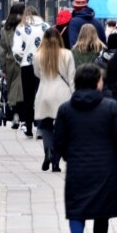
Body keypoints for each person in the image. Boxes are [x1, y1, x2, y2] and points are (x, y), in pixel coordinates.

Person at [55, 65, 117, 233]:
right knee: (101, 214)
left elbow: (58, 142)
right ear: (97, 82)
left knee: (76, 210)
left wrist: (68, 158)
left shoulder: (66, 109)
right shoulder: (111, 108)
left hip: (78, 168)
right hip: (105, 168)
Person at [34, 28, 75, 172]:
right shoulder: (67, 54)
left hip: (45, 93)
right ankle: (56, 162)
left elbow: (37, 74)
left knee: (46, 126)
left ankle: (47, 152)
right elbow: (71, 78)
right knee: (61, 129)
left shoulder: (38, 55)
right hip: (63, 95)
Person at [12, 6, 49, 138]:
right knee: (41, 96)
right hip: (43, 65)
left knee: (28, 97)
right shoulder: (46, 27)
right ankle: (40, 128)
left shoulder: (21, 28)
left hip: (27, 66)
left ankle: (28, 128)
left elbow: (16, 50)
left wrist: (21, 60)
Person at [0, 3, 26, 129]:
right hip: (24, 62)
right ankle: (21, 116)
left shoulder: (5, 29)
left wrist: (3, 67)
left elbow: (2, 50)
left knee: (13, 90)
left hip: (10, 63)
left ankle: (15, 114)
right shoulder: (26, 27)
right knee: (23, 89)